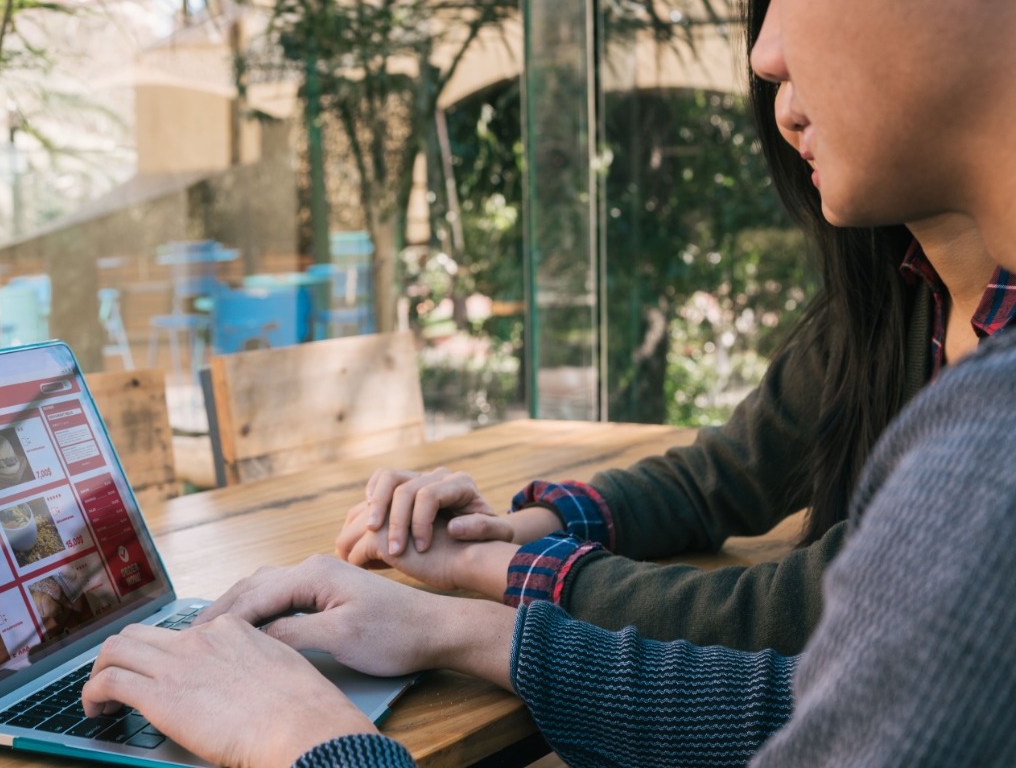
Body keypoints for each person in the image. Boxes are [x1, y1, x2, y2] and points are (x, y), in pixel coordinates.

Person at [77, 0, 1016, 765]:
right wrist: (464, 610)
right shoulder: (907, 319)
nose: (765, 55)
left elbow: (814, 630)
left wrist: (305, 740)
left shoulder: (990, 448)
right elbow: (799, 701)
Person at [333, 87, 1009, 655]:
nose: (775, 81)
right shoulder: (891, 299)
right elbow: (723, 476)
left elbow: (805, 606)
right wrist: (513, 530)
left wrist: (488, 580)